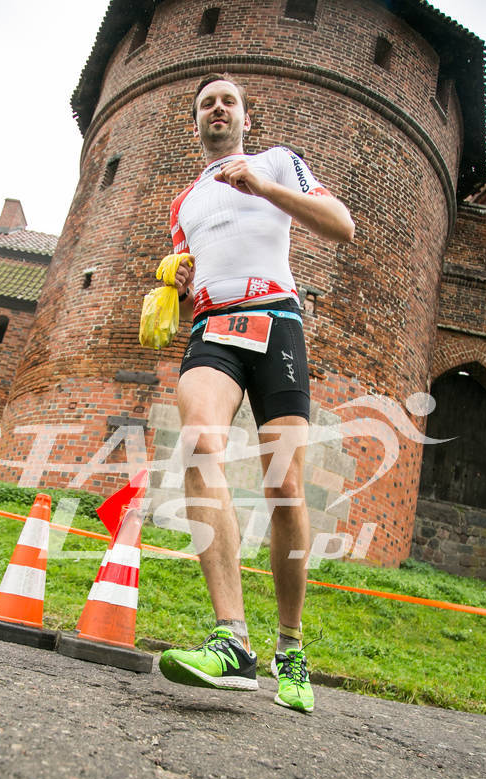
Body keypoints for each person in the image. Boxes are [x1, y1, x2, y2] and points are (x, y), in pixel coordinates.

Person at [158, 74, 355, 713]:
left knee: (283, 485)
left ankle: (290, 645)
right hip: (212, 326)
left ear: (245, 117)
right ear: (196, 125)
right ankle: (231, 641)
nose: (217, 110)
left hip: (277, 322)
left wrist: (264, 186)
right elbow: (186, 268)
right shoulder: (183, 202)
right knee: (198, 446)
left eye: (228, 102)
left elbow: (341, 225)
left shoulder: (279, 163)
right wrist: (173, 279)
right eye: (205, 105)